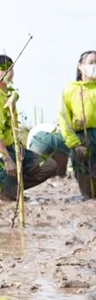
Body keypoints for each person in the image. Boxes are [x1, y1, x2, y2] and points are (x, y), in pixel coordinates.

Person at [0, 55, 58, 201]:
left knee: (48, 165)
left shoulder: (7, 95)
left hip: (11, 147)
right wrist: (6, 158)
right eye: (4, 69)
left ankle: (12, 188)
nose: (9, 72)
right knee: (10, 200)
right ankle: (7, 191)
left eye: (11, 68)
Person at [57, 49, 96, 198]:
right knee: (86, 180)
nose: (94, 66)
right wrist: (75, 143)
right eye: (91, 63)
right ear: (80, 66)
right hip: (82, 139)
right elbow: (64, 119)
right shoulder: (71, 89)